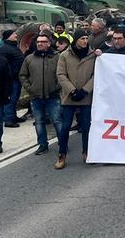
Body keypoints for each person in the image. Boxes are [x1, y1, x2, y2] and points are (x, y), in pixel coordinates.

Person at [55, 30, 97, 169]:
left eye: (86, 38)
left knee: (86, 126)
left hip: (86, 96)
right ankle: (62, 154)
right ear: (76, 40)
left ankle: (86, 151)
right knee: (65, 126)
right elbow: (61, 74)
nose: (85, 41)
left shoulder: (93, 55)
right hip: (69, 96)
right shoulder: (64, 55)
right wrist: (71, 90)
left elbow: (96, 75)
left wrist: (85, 90)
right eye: (82, 38)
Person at [19, 33, 61, 155]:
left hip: (53, 96)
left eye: (43, 41)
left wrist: (57, 87)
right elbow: (22, 75)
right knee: (39, 122)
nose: (40, 43)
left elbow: (63, 73)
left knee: (57, 121)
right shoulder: (29, 59)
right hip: (36, 97)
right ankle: (42, 145)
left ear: (48, 43)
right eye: (38, 42)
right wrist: (30, 88)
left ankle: (62, 143)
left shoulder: (57, 57)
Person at [0, 30, 25, 128]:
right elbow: (3, 65)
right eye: (13, 34)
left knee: (15, 98)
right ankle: (9, 119)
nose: (16, 35)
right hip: (11, 78)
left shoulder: (12, 47)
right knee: (10, 99)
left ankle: (13, 116)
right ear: (8, 36)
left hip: (17, 77)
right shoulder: (4, 49)